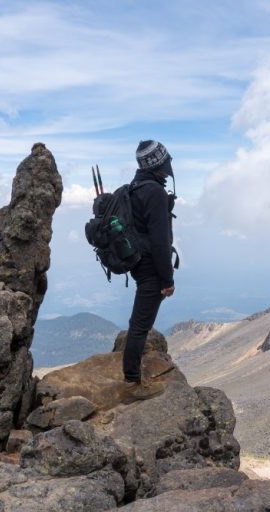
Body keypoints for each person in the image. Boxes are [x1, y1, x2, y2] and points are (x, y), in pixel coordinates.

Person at [122, 140, 176, 400]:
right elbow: (160, 240)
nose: (170, 164)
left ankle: (132, 375)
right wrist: (167, 278)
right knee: (140, 325)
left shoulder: (136, 187)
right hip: (151, 266)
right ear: (157, 163)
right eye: (166, 160)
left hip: (139, 261)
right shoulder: (154, 192)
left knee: (140, 322)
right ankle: (132, 383)